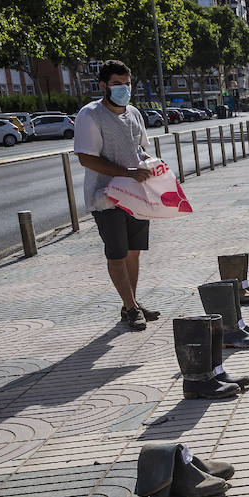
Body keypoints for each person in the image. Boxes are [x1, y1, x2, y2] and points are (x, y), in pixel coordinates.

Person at [74, 59, 157, 331]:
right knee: (117, 254)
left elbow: (140, 148)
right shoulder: (90, 115)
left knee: (134, 253)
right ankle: (131, 307)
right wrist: (128, 172)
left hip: (136, 196)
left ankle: (130, 304)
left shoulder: (134, 113)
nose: (123, 88)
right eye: (116, 84)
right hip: (106, 198)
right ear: (103, 86)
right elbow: (86, 158)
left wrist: (148, 163)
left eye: (127, 83)